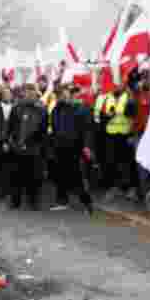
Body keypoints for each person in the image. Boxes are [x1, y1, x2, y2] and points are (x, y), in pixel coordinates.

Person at [50, 85, 94, 213]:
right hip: (59, 147)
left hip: (75, 148)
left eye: (64, 94)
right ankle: (62, 201)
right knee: (60, 176)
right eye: (59, 95)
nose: (62, 97)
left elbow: (87, 129)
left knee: (78, 177)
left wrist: (86, 146)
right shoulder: (56, 110)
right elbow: (54, 128)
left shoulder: (80, 108)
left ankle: (87, 203)